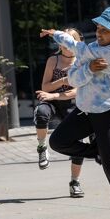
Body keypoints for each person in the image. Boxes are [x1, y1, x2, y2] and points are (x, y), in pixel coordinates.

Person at [41, 7, 110, 219]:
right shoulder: (94, 48)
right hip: (86, 110)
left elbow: (78, 54)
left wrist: (80, 65)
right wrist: (58, 35)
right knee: (58, 141)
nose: (99, 32)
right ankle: (97, 152)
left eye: (105, 30)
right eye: (98, 27)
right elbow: (74, 77)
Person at [34, 28, 85, 198]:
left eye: (70, 40)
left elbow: (79, 90)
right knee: (41, 111)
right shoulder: (53, 60)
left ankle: (74, 182)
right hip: (53, 102)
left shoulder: (82, 61)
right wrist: (61, 85)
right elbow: (44, 87)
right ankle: (42, 147)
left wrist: (58, 87)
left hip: (71, 103)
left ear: (77, 41)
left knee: (78, 141)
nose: (67, 44)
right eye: (64, 40)